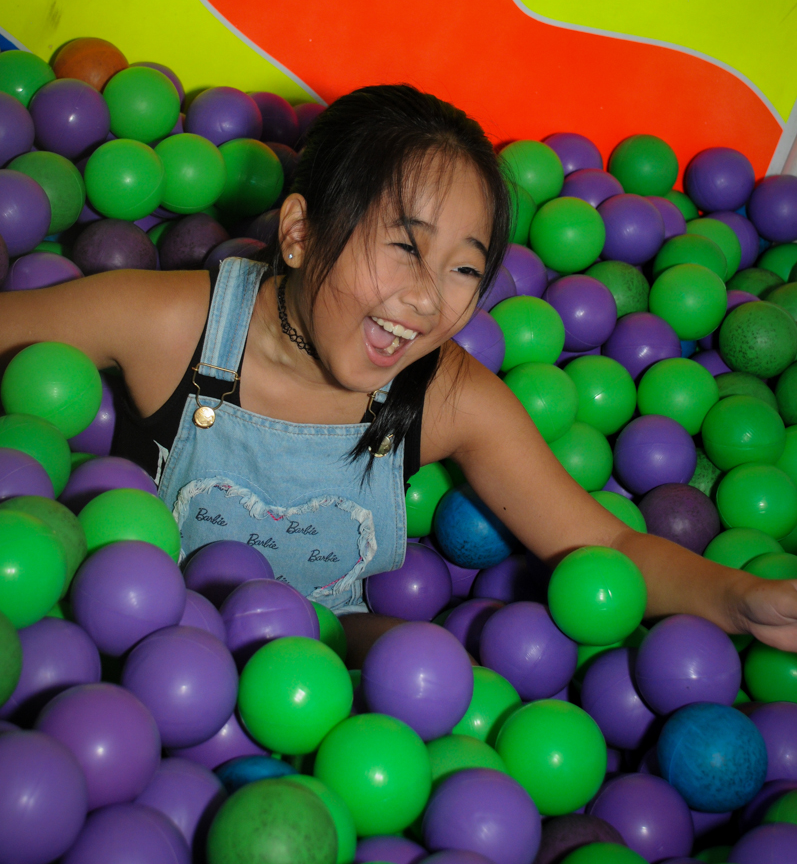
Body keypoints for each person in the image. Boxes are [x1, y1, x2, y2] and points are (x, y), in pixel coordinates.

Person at [2, 84, 797, 653]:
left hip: (321, 663)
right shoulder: (174, 325)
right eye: (405, 247)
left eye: (462, 270)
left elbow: (608, 551)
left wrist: (739, 599)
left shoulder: (446, 395)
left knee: (420, 664)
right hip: (123, 633)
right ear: (299, 234)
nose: (424, 301)